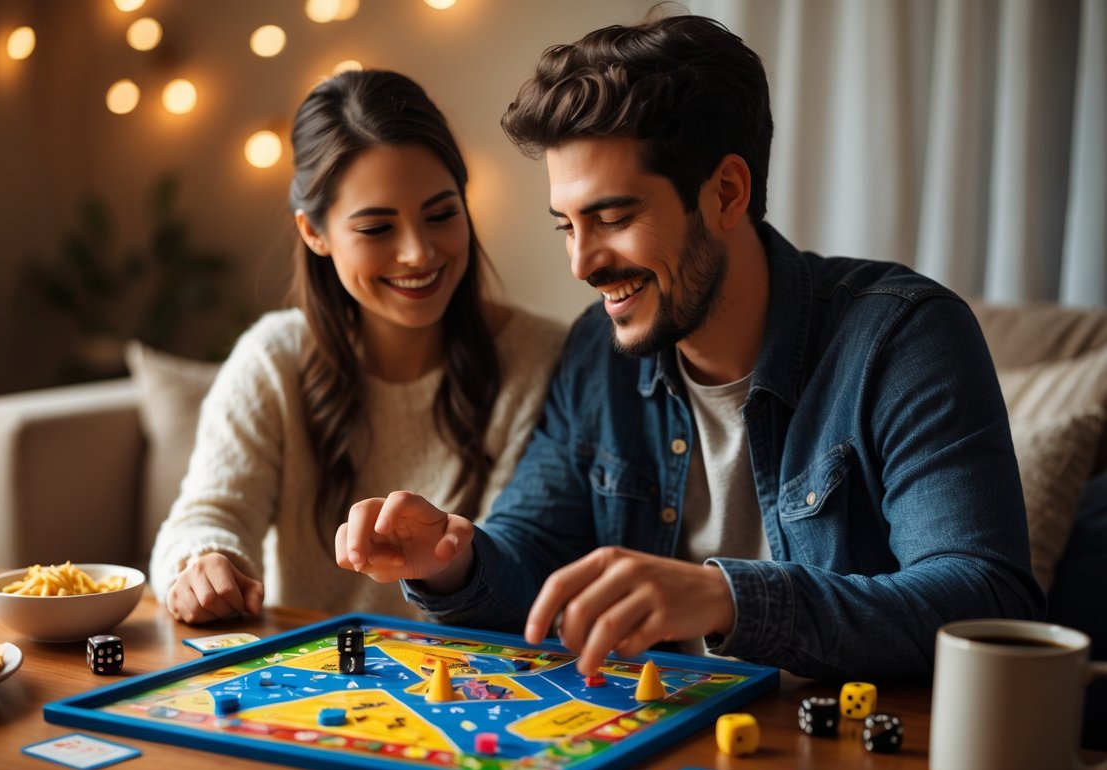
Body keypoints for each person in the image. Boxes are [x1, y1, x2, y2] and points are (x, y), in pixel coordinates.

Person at [335, 16, 1044, 680]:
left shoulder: (902, 336)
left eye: (612, 217)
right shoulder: (597, 350)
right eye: (566, 225)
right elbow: (531, 559)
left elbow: (984, 603)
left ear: (726, 193)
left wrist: (727, 598)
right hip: (655, 744)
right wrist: (448, 560)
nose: (581, 264)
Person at [150, 69, 566, 624]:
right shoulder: (275, 358)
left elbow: (519, 568)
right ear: (313, 233)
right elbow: (206, 517)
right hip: (302, 684)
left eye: (442, 214)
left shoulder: (540, 356)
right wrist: (204, 565)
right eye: (376, 229)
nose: (419, 253)